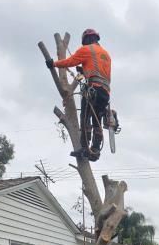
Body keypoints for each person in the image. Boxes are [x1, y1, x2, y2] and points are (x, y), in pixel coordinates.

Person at [46, 29, 111, 161]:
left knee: (85, 118)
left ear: (87, 39)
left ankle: (85, 149)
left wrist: (53, 64)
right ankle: (96, 149)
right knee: (97, 120)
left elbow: (70, 61)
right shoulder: (106, 54)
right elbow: (98, 69)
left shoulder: (86, 49)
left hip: (92, 89)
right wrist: (84, 69)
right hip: (105, 92)